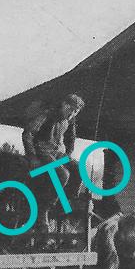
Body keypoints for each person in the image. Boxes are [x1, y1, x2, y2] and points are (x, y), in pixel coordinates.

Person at [22, 94, 85, 227]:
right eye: (71, 110)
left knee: (80, 169)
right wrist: (32, 156)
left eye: (76, 112)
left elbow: (71, 139)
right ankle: (44, 208)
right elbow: (28, 133)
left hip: (58, 153)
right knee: (63, 174)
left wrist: (68, 154)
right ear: (64, 105)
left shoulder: (70, 121)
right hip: (43, 151)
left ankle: (65, 202)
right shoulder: (47, 115)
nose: (72, 114)